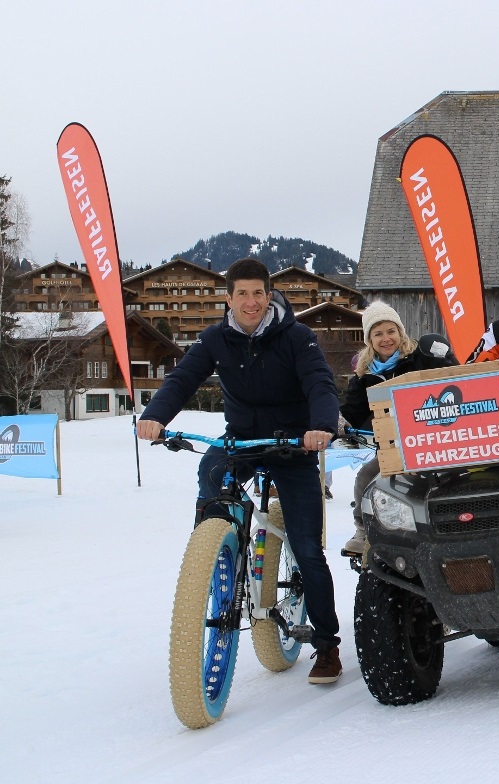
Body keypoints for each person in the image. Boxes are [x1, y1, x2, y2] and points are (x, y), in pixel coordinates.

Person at [137, 257, 344, 684]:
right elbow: (182, 379)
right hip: (243, 442)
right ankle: (215, 548)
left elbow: (319, 383)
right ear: (228, 299)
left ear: (269, 296)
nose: (251, 302)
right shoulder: (216, 338)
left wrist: (320, 426)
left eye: (258, 293)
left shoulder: (297, 336)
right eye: (242, 294)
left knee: (308, 551)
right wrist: (155, 415)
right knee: (211, 473)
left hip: (291, 446)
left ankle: (327, 645)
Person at [338, 302, 458, 556]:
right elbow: (352, 410)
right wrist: (340, 423)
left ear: (400, 332)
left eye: (391, 331)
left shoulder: (419, 357)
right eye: (378, 333)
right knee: (366, 476)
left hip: (432, 440)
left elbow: (451, 380)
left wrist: (445, 357)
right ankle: (363, 530)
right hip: (392, 447)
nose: (386, 338)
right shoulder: (365, 373)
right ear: (370, 339)